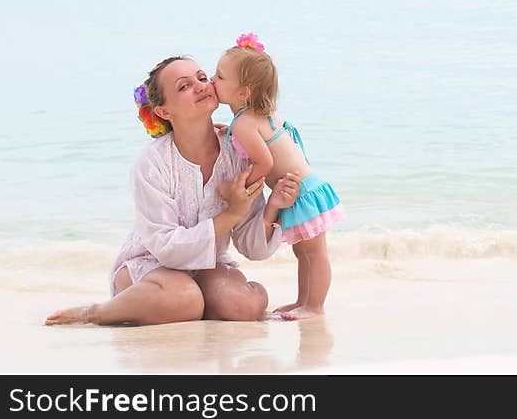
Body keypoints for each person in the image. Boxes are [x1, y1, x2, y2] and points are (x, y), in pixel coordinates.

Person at [45, 56, 301, 326]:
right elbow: (166, 247)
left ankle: (202, 301)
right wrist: (231, 214)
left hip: (207, 268)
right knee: (185, 299)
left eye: (202, 78)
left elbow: (254, 249)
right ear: (164, 112)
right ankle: (95, 312)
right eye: (184, 86)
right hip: (151, 265)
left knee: (240, 305)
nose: (201, 86)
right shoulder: (151, 163)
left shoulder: (238, 153)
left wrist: (273, 206)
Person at [212, 33, 345, 320]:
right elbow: (263, 140)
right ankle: (303, 301)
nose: (212, 80)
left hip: (301, 192)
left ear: (243, 93)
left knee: (315, 253)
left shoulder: (245, 123)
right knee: (303, 254)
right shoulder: (254, 117)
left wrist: (238, 187)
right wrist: (231, 134)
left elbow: (264, 161)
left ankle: (315, 306)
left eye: (220, 77)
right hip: (304, 188)